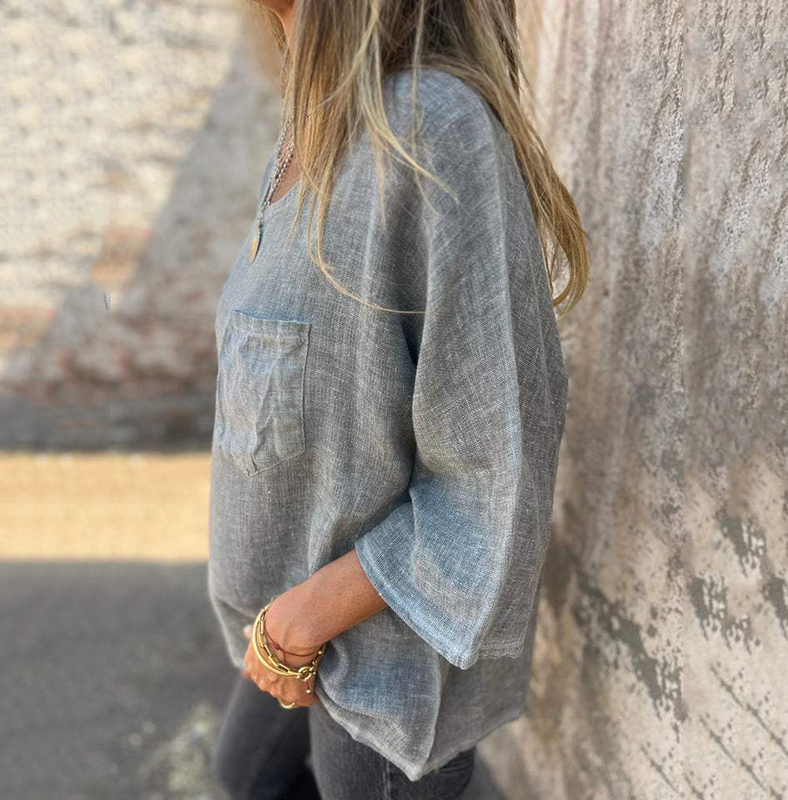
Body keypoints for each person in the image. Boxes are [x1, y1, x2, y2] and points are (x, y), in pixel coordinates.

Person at [208, 0, 589, 798]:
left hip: (380, 658)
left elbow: (496, 458)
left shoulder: (428, 127)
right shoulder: (311, 123)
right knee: (245, 773)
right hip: (286, 613)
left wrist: (308, 617)